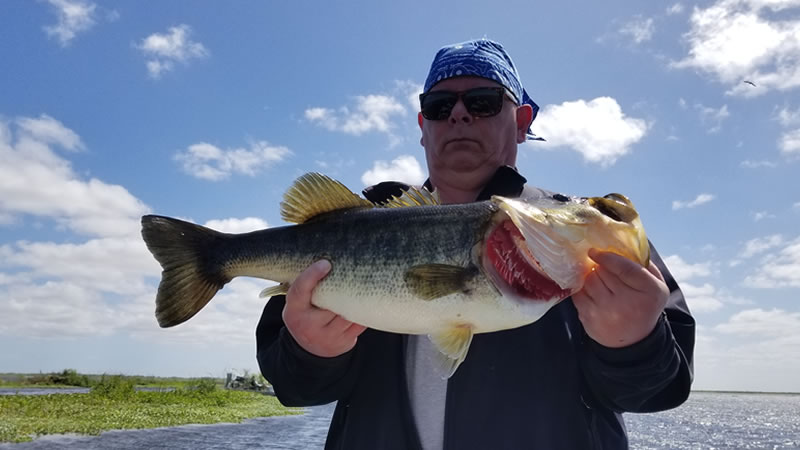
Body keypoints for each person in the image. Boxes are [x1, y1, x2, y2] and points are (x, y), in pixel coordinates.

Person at [257, 39, 695, 450]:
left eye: (483, 102)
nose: (459, 115)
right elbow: (295, 389)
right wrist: (309, 353)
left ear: (522, 122)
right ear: (422, 126)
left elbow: (658, 392)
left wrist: (634, 345)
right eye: (439, 106)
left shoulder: (584, 234)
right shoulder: (350, 230)